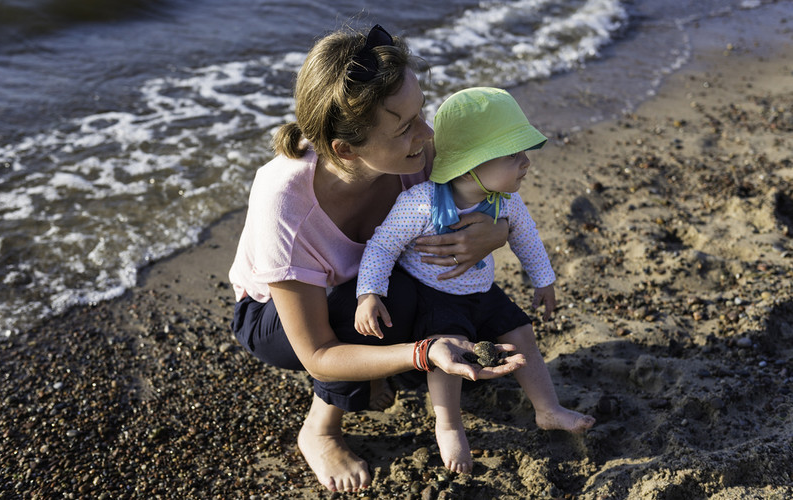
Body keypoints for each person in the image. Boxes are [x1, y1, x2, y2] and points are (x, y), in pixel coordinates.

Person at [228, 25, 528, 493]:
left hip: (385, 285)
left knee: (481, 319)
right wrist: (423, 351)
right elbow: (319, 355)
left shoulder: (417, 155)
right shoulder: (283, 200)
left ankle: (378, 369)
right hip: (278, 317)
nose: (427, 134)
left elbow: (492, 189)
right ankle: (320, 430)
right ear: (346, 149)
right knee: (376, 305)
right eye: (405, 127)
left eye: (420, 113)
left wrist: (496, 234)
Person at [354, 87, 596, 473]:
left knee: (521, 330)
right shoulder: (420, 204)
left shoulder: (506, 201)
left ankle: (547, 409)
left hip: (482, 289)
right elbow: (382, 246)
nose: (526, 163)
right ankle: (448, 426)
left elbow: (527, 237)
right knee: (448, 356)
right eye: (513, 155)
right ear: (471, 166)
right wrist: (369, 293)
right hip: (434, 295)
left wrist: (543, 280)